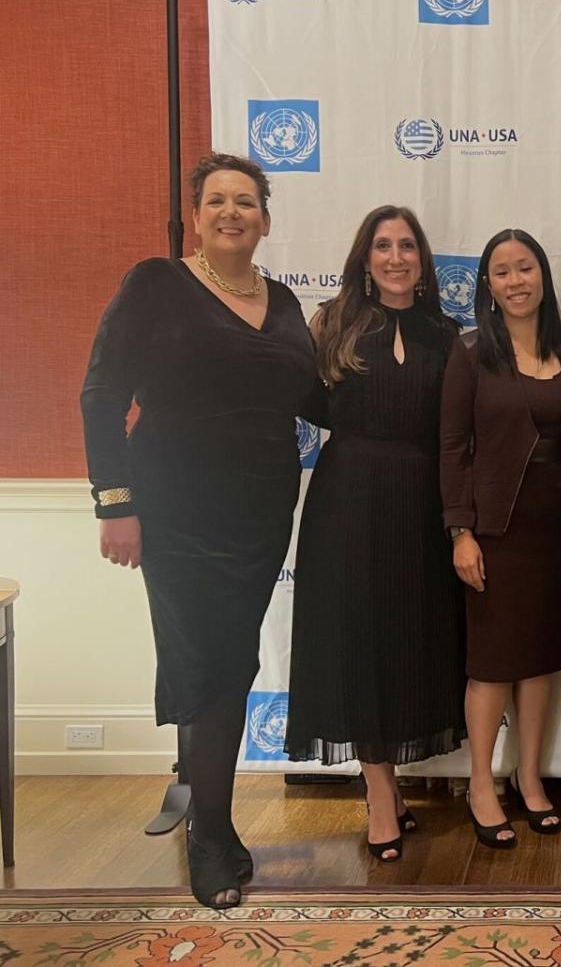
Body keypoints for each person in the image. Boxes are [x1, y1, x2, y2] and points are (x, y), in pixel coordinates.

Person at [80, 152, 316, 909]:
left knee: (230, 658)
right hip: (178, 510)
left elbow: (316, 396)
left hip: (259, 513)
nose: (231, 213)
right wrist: (115, 504)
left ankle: (206, 808)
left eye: (245, 202)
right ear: (196, 214)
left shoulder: (281, 302)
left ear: (266, 220)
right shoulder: (156, 284)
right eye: (217, 201)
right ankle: (210, 833)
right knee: (212, 662)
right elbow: (101, 393)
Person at [284, 205, 466, 862]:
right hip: (348, 503)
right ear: (365, 258)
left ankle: (394, 783)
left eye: (407, 246)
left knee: (409, 640)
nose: (396, 257)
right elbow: (299, 402)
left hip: (421, 504)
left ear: (422, 261)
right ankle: (380, 794)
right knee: (358, 641)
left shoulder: (446, 334)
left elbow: (456, 429)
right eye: (383, 246)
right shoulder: (329, 324)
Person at [440, 229, 561, 848]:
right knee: (493, 664)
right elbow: (452, 446)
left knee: (541, 664)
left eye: (524, 267)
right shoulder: (471, 352)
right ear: (487, 285)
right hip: (496, 530)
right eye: (501, 272)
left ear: (543, 274)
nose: (515, 281)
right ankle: (482, 783)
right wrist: (461, 531)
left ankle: (529, 778)